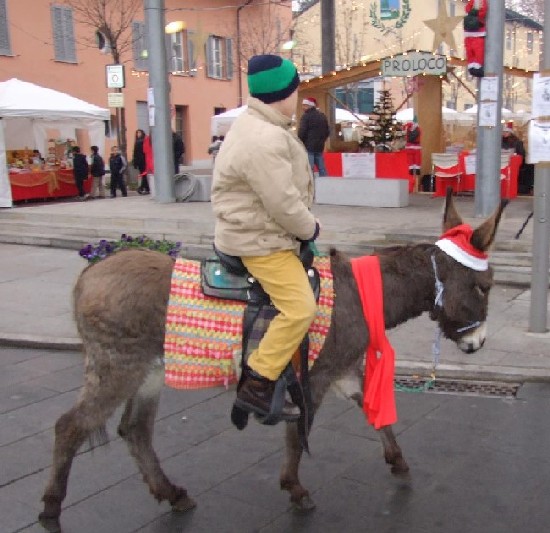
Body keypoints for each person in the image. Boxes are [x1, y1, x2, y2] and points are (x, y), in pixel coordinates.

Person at [211, 54, 320, 421]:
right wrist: (310, 229)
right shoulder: (263, 137)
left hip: (257, 231)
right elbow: (283, 202)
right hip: (259, 240)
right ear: (283, 93)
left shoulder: (259, 125)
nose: (299, 96)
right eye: (296, 89)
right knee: (301, 307)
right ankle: (258, 383)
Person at [298, 96, 330, 176]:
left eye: (305, 105)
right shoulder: (322, 116)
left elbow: (302, 131)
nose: (303, 107)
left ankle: (311, 186)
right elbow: (327, 131)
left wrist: (299, 141)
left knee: (309, 168)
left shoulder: (306, 116)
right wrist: (322, 140)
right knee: (322, 168)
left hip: (309, 146)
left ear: (310, 106)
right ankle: (326, 183)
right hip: (319, 146)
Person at [501, 125, 532, 194]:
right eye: (503, 132)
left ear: (510, 133)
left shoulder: (517, 142)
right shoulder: (499, 141)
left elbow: (521, 153)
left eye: (506, 132)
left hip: (514, 162)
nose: (504, 133)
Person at [404, 118, 422, 191]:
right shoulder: (418, 129)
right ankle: (417, 170)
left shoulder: (407, 128)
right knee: (417, 159)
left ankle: (411, 169)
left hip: (409, 147)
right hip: (417, 147)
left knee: (410, 159)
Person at [133, 129, 149, 195]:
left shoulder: (141, 141)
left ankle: (142, 187)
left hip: (143, 160)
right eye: (137, 133)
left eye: (139, 133)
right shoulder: (138, 141)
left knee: (144, 174)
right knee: (144, 174)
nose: (138, 134)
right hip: (141, 160)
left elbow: (136, 152)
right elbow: (135, 153)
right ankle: (145, 188)